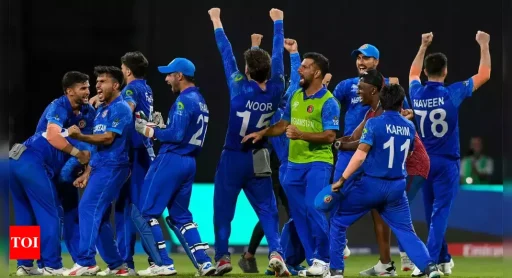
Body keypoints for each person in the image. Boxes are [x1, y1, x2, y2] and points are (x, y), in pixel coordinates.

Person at [327, 84, 442, 278]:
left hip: (371, 186)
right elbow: (410, 153)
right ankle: (430, 267)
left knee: (338, 221)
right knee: (406, 231)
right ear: (400, 103)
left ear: (382, 101)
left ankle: (336, 271)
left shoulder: (374, 124)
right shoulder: (409, 126)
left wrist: (342, 179)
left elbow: (360, 156)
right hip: (397, 187)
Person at [243, 51, 340, 277]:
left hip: (318, 162)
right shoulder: (296, 96)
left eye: (304, 67)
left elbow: (330, 137)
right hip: (293, 166)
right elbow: (283, 124)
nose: (299, 69)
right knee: (299, 215)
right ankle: (313, 261)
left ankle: (325, 261)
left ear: (316, 72)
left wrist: (301, 135)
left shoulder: (329, 102)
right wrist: (263, 132)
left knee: (314, 208)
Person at [208, 7, 290, 277]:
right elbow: (277, 55)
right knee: (268, 210)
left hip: (233, 155)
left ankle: (221, 258)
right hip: (259, 154)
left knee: (223, 212)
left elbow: (225, 52)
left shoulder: (238, 86)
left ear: (246, 71)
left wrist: (217, 19)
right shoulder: (277, 86)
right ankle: (277, 252)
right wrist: (278, 23)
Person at [408, 31, 491, 276]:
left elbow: (412, 73)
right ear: (445, 72)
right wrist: (484, 45)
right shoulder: (452, 93)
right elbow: (484, 74)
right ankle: (429, 262)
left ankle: (443, 259)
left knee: (431, 210)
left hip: (423, 163)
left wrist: (422, 46)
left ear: (426, 72)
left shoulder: (416, 93)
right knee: (439, 213)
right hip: (446, 163)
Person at [131, 57, 216, 276]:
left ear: (179, 76)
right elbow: (181, 132)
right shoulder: (201, 100)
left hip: (171, 159)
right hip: (189, 163)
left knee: (146, 212)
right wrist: (161, 126)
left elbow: (176, 135)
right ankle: (204, 263)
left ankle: (163, 263)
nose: (167, 79)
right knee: (181, 216)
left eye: (169, 74)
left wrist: (150, 130)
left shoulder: (183, 101)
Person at [238, 37, 308, 276]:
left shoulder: (283, 103)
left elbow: (291, 83)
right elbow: (255, 77)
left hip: (281, 162)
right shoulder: (275, 105)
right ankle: (286, 259)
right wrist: (258, 49)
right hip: (277, 164)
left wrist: (294, 54)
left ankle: (252, 256)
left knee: (278, 213)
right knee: (291, 214)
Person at [331, 44, 403, 272]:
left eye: (367, 58)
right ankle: (335, 250)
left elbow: (404, 113)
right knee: (332, 197)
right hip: (350, 152)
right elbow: (329, 106)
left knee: (380, 211)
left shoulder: (389, 87)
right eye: (359, 58)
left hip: (376, 156)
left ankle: (385, 263)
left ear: (377, 62)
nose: (361, 62)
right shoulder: (346, 86)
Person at [63, 66, 133, 276]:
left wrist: (80, 137)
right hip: (101, 166)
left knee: (88, 207)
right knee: (99, 216)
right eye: (97, 82)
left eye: (102, 82)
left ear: (115, 85)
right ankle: (117, 265)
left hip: (114, 166)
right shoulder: (102, 110)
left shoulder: (120, 108)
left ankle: (86, 262)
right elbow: (98, 147)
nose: (97, 86)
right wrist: (87, 172)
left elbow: (108, 138)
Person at [111, 51, 155, 276]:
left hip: (133, 154)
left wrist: (105, 109)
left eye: (121, 68)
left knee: (134, 208)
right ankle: (127, 262)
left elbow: (125, 112)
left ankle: (156, 260)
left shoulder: (130, 89)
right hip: (144, 151)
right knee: (128, 207)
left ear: (127, 70)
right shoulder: (146, 88)